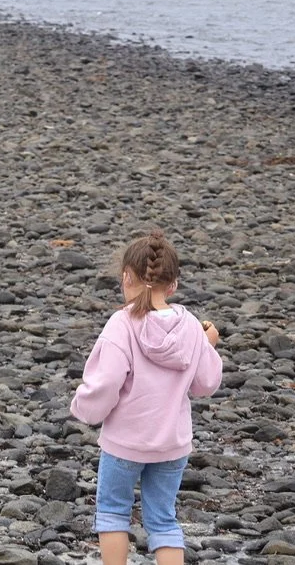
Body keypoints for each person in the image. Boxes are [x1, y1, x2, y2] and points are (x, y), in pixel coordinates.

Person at [70, 230, 223, 565]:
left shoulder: (121, 325)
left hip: (125, 442)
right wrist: (206, 344)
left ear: (126, 277)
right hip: (172, 444)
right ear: (173, 285)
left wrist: (83, 406)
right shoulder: (191, 327)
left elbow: (107, 383)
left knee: (112, 512)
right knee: (163, 519)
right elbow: (206, 383)